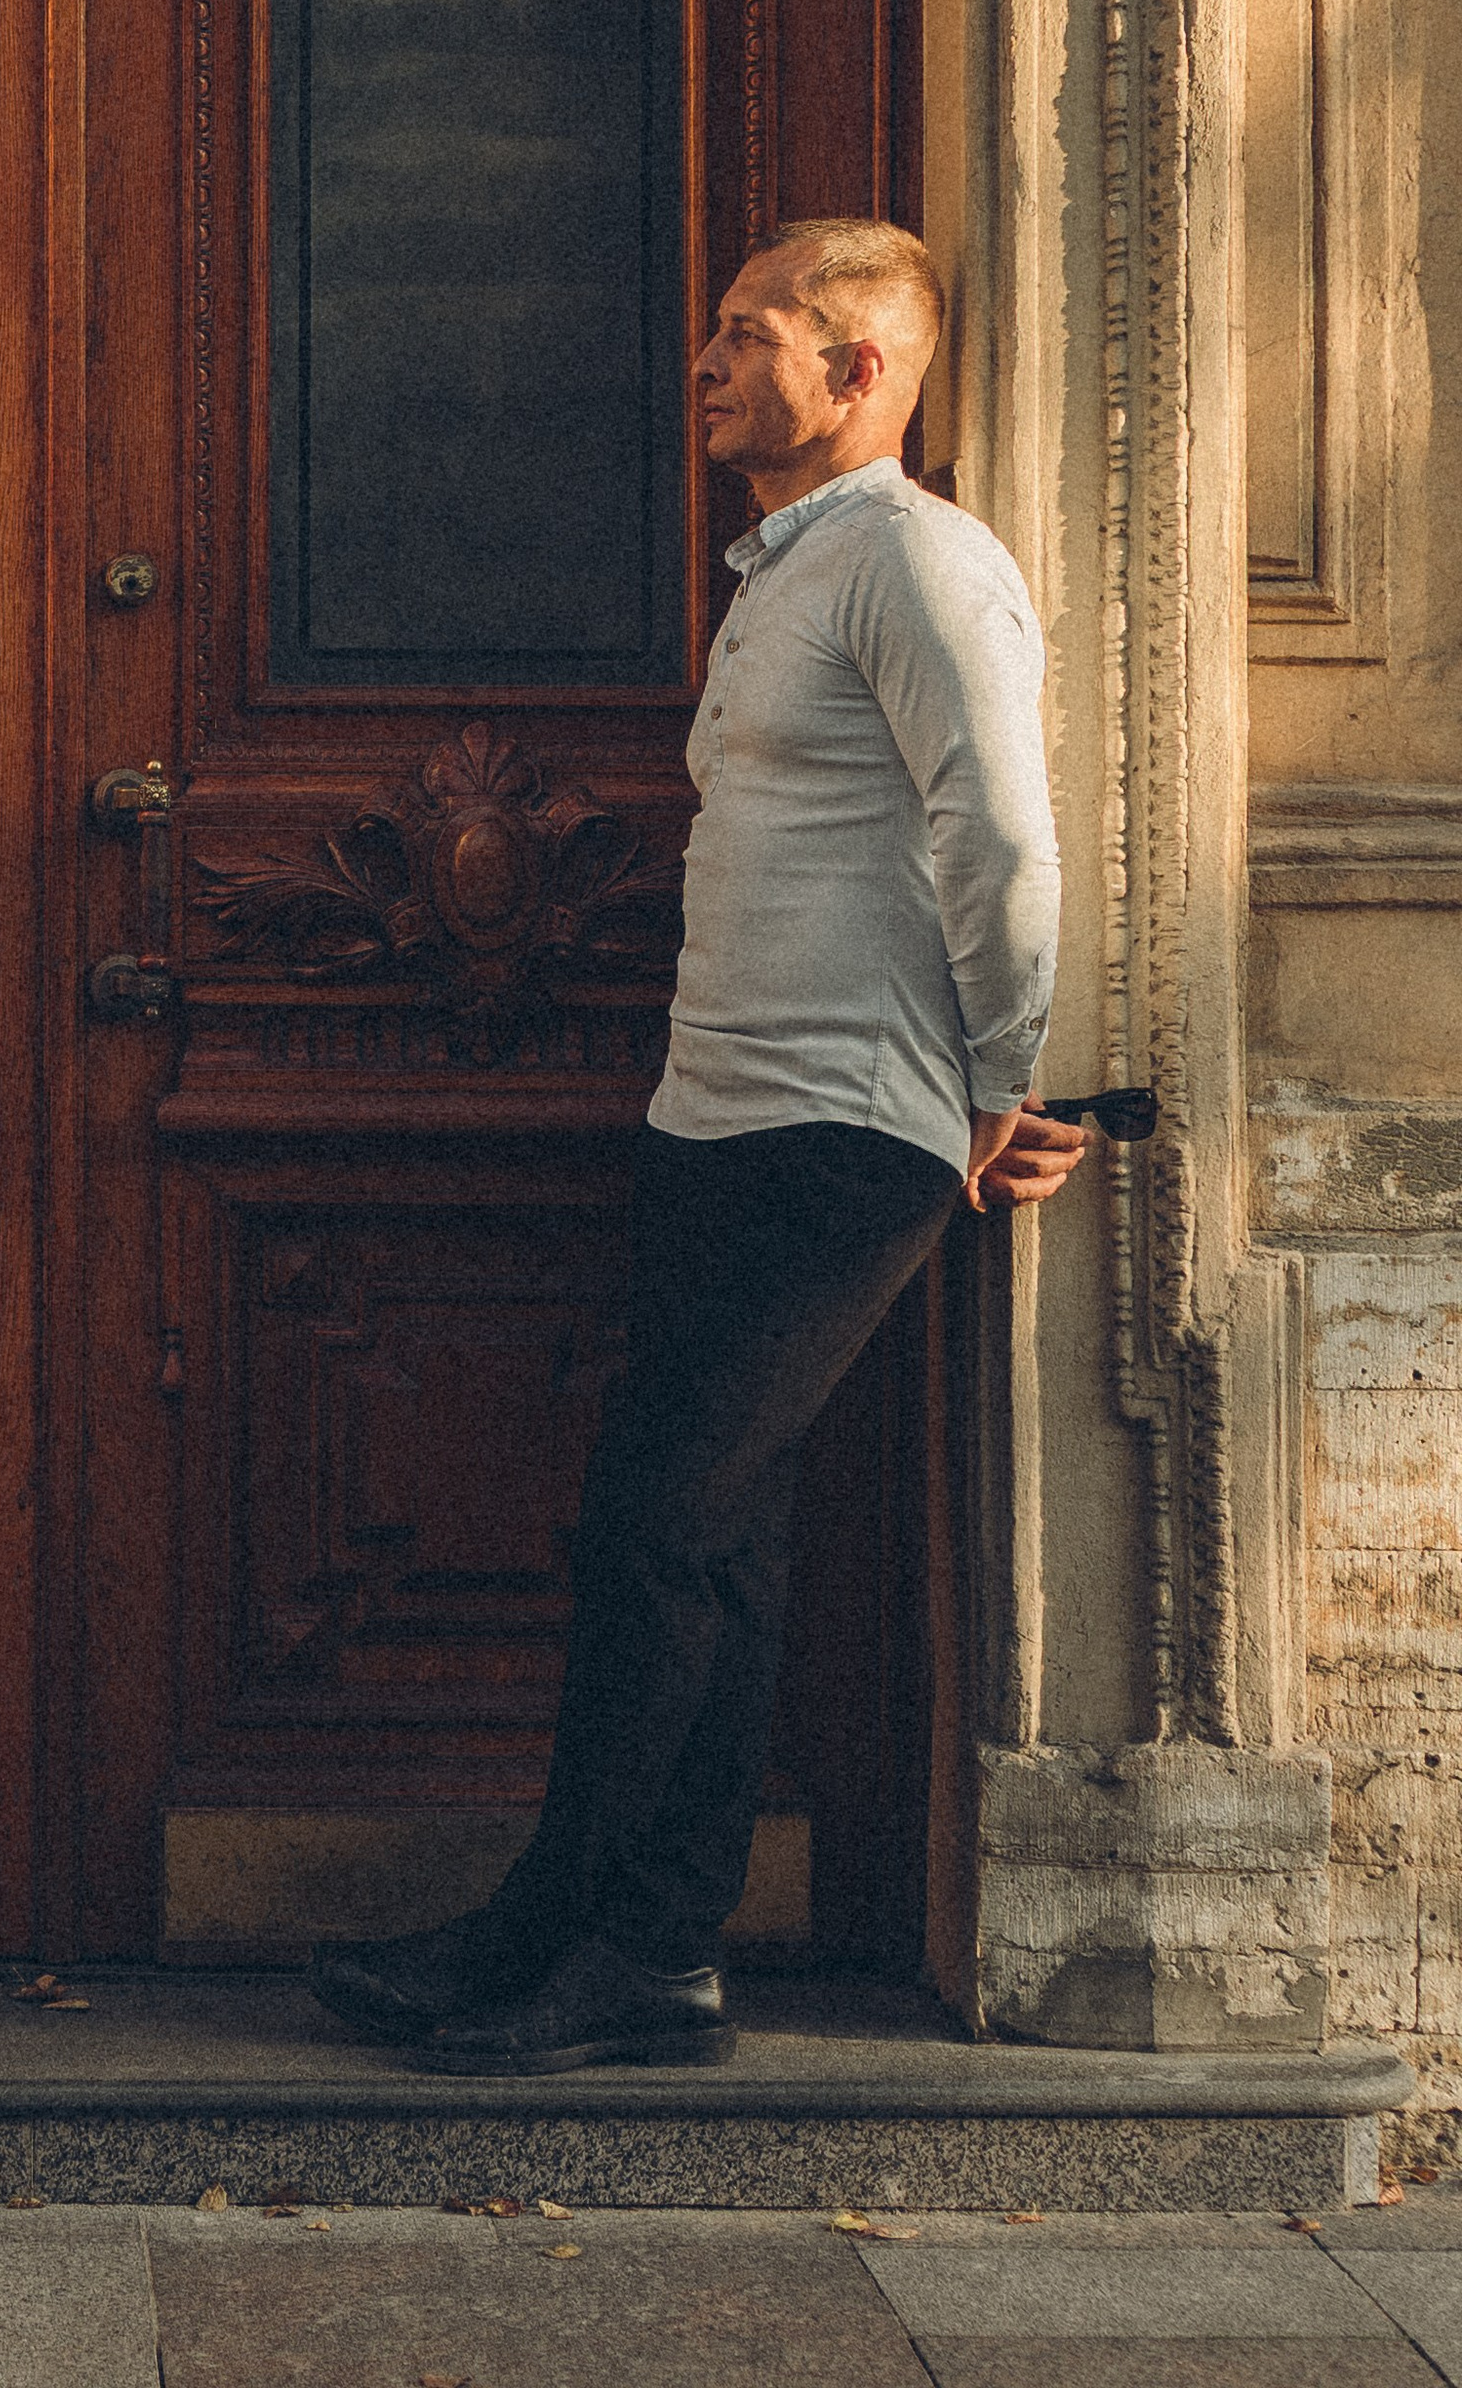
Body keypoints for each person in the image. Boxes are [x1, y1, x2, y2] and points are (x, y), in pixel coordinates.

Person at [312, 218, 1086, 2074]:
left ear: (860, 374)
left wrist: (991, 1083)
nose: (708, 361)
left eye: (754, 334)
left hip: (847, 1135)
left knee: (654, 1535)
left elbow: (1004, 835)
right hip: (718, 1117)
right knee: (711, 1547)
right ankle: (642, 1958)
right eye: (720, 330)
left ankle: (572, 1935)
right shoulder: (791, 572)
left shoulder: (917, 562)